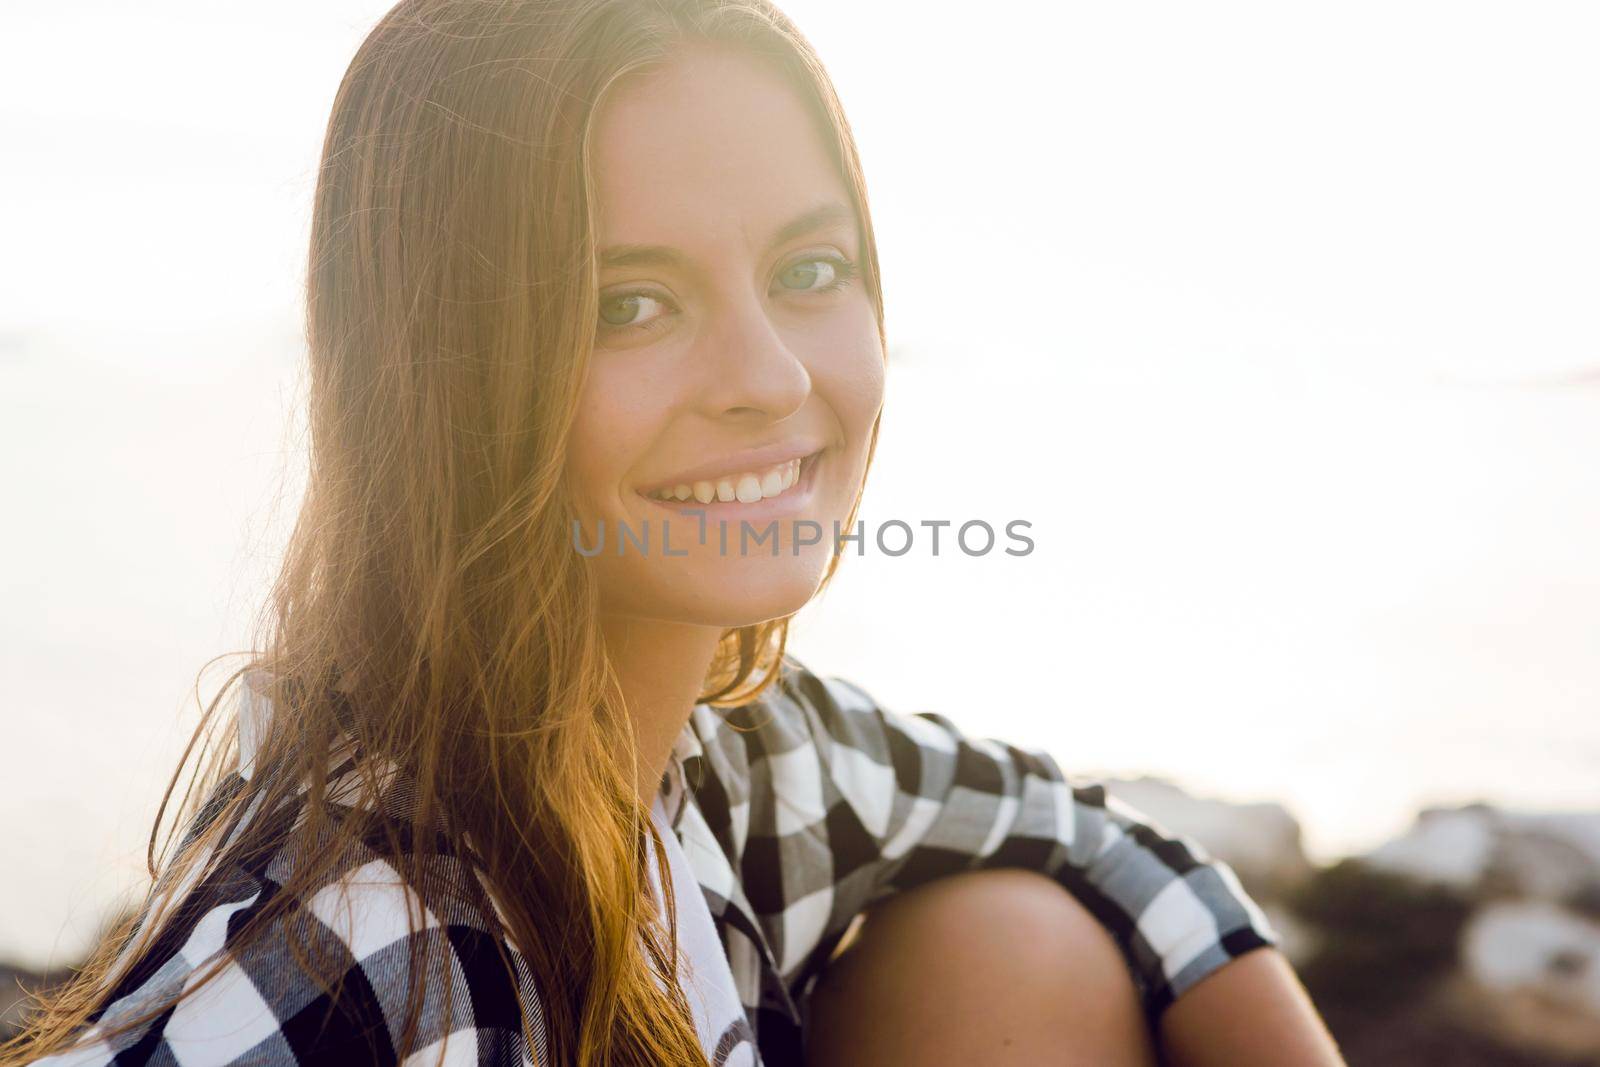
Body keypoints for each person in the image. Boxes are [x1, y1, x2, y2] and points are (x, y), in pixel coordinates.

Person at [2, 1, 1347, 1064]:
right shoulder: (382, 953)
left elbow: (1117, 849)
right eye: (627, 304)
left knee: (1012, 935)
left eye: (810, 273)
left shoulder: (738, 762)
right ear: (437, 375)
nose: (768, 376)